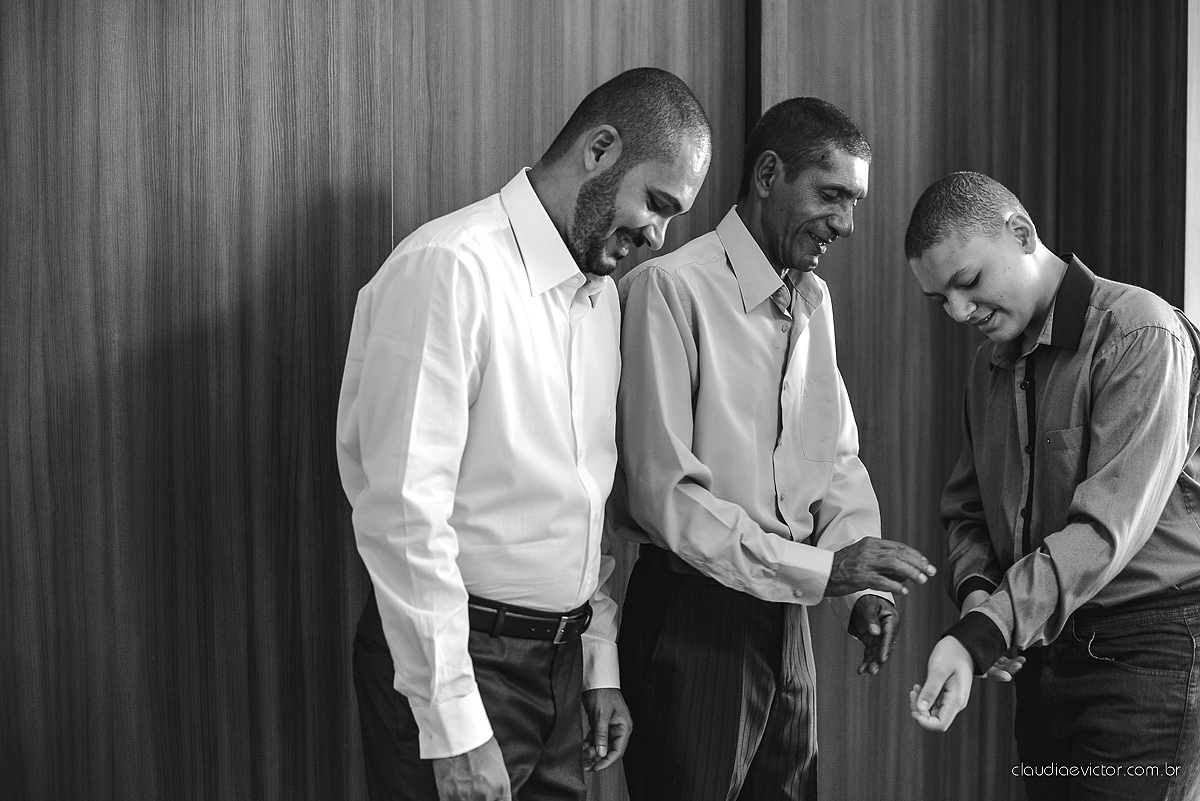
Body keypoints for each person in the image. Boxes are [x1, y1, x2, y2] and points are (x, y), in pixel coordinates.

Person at [336, 67, 712, 801]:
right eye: (657, 204)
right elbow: (403, 516)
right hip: (460, 661)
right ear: (600, 150)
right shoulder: (449, 269)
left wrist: (597, 660)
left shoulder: (600, 298)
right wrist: (453, 724)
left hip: (562, 665)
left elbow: (586, 503)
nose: (658, 235)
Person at [612, 96, 937, 801]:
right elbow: (666, 499)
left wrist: (861, 585)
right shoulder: (668, 289)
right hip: (692, 620)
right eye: (833, 195)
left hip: (789, 616)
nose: (847, 224)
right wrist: (825, 569)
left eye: (854, 201)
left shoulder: (814, 301)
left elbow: (837, 459)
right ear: (767, 174)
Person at [906, 171, 1200, 800]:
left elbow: (1104, 530)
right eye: (941, 301)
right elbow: (968, 511)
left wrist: (987, 631)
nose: (959, 312)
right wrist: (983, 604)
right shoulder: (989, 366)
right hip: (1044, 653)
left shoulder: (1140, 334)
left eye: (967, 283)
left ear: (1021, 233)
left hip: (1148, 654)